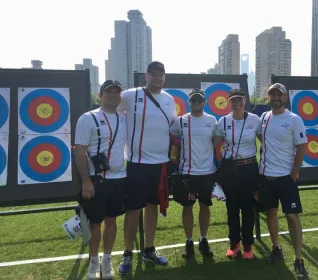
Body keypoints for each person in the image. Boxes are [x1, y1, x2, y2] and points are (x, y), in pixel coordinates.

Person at [117, 61, 177, 274]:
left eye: (161, 75)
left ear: (164, 77)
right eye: (154, 74)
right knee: (133, 210)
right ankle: (127, 254)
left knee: (152, 207)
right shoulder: (130, 95)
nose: (157, 78)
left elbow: (174, 127)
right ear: (146, 76)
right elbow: (110, 111)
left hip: (160, 165)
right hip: (137, 164)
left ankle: (149, 249)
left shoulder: (169, 100)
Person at [74, 80, 126, 280]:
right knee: (95, 223)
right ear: (100, 94)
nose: (113, 95)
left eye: (116, 92)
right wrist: (86, 181)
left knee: (111, 220)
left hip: (119, 178)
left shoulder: (124, 117)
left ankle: (106, 260)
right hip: (96, 179)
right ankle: (93, 262)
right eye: (109, 92)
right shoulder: (88, 118)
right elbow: (80, 150)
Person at [257, 83, 309, 279]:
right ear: (268, 98)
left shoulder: (294, 119)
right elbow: (265, 140)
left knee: (292, 216)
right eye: (272, 95)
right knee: (271, 212)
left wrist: (294, 171)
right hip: (267, 176)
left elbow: (302, 146)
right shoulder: (264, 118)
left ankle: (298, 259)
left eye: (279, 95)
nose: (275, 98)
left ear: (285, 98)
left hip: (286, 177)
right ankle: (276, 247)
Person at [213, 88, 261, 260]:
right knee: (232, 208)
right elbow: (215, 144)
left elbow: (266, 142)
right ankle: (234, 244)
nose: (237, 103)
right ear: (229, 102)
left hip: (249, 168)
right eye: (234, 100)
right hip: (230, 170)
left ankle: (248, 244)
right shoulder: (223, 121)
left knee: (248, 208)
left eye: (240, 99)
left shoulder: (255, 120)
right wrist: (219, 164)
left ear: (244, 101)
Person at [170, 88, 217, 259]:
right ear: (189, 102)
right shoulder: (180, 121)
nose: (196, 103)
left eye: (200, 101)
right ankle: (189, 241)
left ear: (204, 102)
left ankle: (203, 239)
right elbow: (172, 140)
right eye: (193, 101)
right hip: (187, 173)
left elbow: (216, 142)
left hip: (207, 172)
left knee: (205, 206)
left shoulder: (212, 121)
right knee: (187, 207)